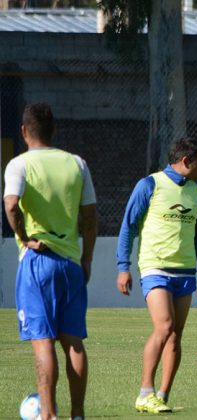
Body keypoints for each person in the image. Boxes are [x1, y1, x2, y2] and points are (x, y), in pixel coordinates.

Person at [4, 102, 97, 420]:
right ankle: (78, 413)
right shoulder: (77, 163)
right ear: (53, 130)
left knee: (43, 343)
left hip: (37, 262)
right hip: (70, 263)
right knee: (73, 341)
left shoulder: (19, 164)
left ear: (23, 131)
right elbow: (90, 216)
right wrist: (86, 258)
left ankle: (47, 415)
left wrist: (25, 238)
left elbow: (12, 205)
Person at [116, 137, 197, 413]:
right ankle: (145, 392)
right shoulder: (149, 185)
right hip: (155, 268)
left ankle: (162, 395)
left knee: (175, 335)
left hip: (185, 272)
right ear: (186, 161)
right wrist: (123, 266)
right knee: (164, 326)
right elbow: (128, 227)